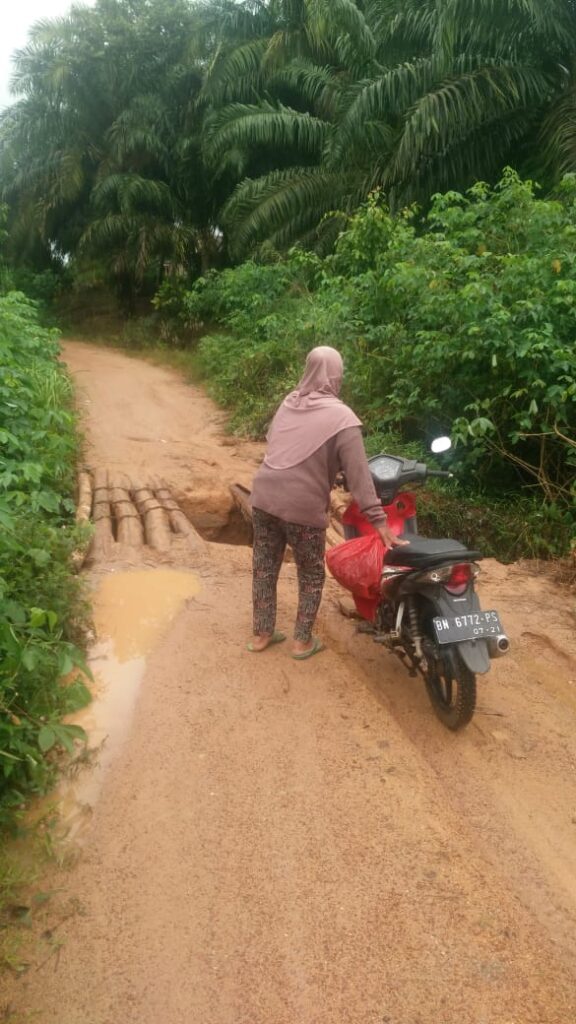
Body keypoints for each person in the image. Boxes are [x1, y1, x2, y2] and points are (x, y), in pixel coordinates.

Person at [247, 346, 408, 660]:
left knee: (264, 569)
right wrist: (379, 522)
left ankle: (261, 635)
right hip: (303, 508)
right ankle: (301, 642)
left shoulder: (288, 403)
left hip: (264, 497)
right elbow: (360, 476)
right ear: (336, 375)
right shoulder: (342, 417)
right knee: (310, 574)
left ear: (308, 369)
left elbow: (278, 444)